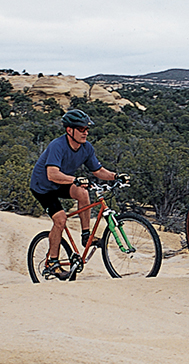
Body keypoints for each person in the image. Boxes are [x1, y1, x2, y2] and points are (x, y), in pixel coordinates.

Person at [30, 109, 129, 280]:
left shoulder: (86, 148)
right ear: (70, 130)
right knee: (60, 219)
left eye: (87, 129)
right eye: (81, 129)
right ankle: (53, 262)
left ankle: (86, 236)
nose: (85, 132)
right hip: (43, 186)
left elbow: (98, 170)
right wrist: (75, 179)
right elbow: (52, 174)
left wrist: (115, 176)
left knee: (83, 193)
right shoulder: (57, 146)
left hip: (62, 182)